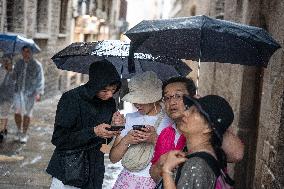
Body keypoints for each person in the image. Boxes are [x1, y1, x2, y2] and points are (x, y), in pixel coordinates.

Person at [46, 59, 124, 189]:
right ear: (95, 85)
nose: (110, 94)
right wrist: (93, 131)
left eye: (113, 89)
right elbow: (59, 139)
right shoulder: (71, 98)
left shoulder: (109, 103)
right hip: (69, 167)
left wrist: (114, 128)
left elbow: (104, 143)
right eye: (105, 90)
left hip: (94, 169)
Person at [150, 77, 244, 182]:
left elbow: (237, 155)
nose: (172, 102)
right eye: (167, 98)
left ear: (193, 99)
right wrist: (161, 164)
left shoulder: (203, 130)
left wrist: (205, 113)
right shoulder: (165, 133)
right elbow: (154, 176)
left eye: (178, 96)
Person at [110, 71, 173, 189]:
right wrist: (126, 140)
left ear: (154, 98)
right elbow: (113, 158)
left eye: (141, 100)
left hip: (155, 181)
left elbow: (174, 157)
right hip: (127, 180)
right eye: (135, 99)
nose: (137, 104)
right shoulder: (130, 118)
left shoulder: (170, 121)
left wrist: (155, 139)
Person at [161, 95, 235, 188]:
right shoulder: (207, 158)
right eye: (188, 108)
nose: (185, 113)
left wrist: (167, 171)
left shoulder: (196, 165)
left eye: (193, 112)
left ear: (208, 127)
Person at [13, 46, 44, 143]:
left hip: (31, 93)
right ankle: (18, 130)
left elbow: (40, 79)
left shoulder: (36, 65)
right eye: (24, 51)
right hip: (18, 91)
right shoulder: (18, 63)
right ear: (22, 52)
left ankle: (24, 133)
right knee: (17, 112)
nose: (26, 53)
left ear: (31, 53)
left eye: (28, 51)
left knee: (27, 114)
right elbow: (14, 77)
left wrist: (39, 92)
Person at [0, 55, 15, 142]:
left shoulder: (13, 70)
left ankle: (1, 132)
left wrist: (10, 72)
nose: (5, 62)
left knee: (3, 114)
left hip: (8, 96)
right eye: (3, 60)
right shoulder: (0, 69)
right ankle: (3, 129)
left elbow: (15, 83)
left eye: (7, 60)